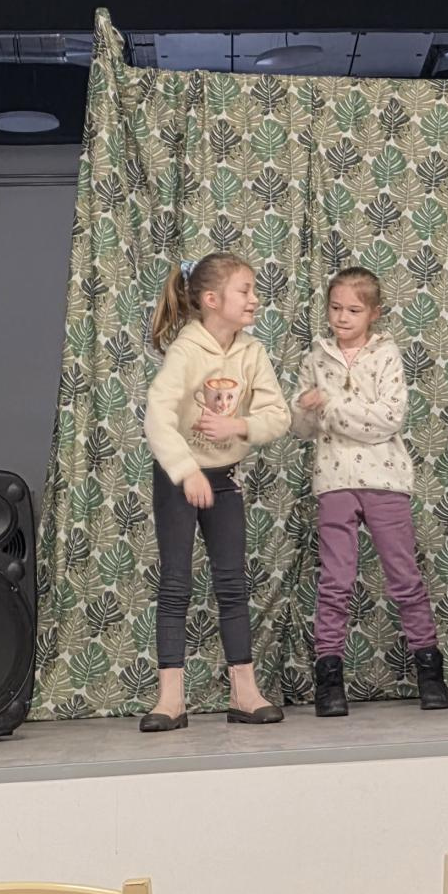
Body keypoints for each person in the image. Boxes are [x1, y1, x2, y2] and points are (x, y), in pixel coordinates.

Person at [291, 267, 448, 720]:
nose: (342, 318)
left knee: (404, 577)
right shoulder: (316, 357)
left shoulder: (386, 354)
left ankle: (430, 673)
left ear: (374, 313)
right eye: (335, 308)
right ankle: (329, 680)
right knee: (335, 581)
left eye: (353, 310)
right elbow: (301, 428)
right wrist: (304, 409)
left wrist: (330, 405)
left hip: (385, 480)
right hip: (333, 480)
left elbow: (388, 419)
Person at [143, 251, 290, 731]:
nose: (254, 299)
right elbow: (157, 416)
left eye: (253, 291)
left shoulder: (252, 352)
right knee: (176, 583)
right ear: (211, 300)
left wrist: (238, 425)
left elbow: (278, 415)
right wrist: (187, 472)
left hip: (224, 479)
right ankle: (170, 700)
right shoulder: (187, 351)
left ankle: (244, 693)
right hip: (180, 479)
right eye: (245, 291)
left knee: (232, 583)